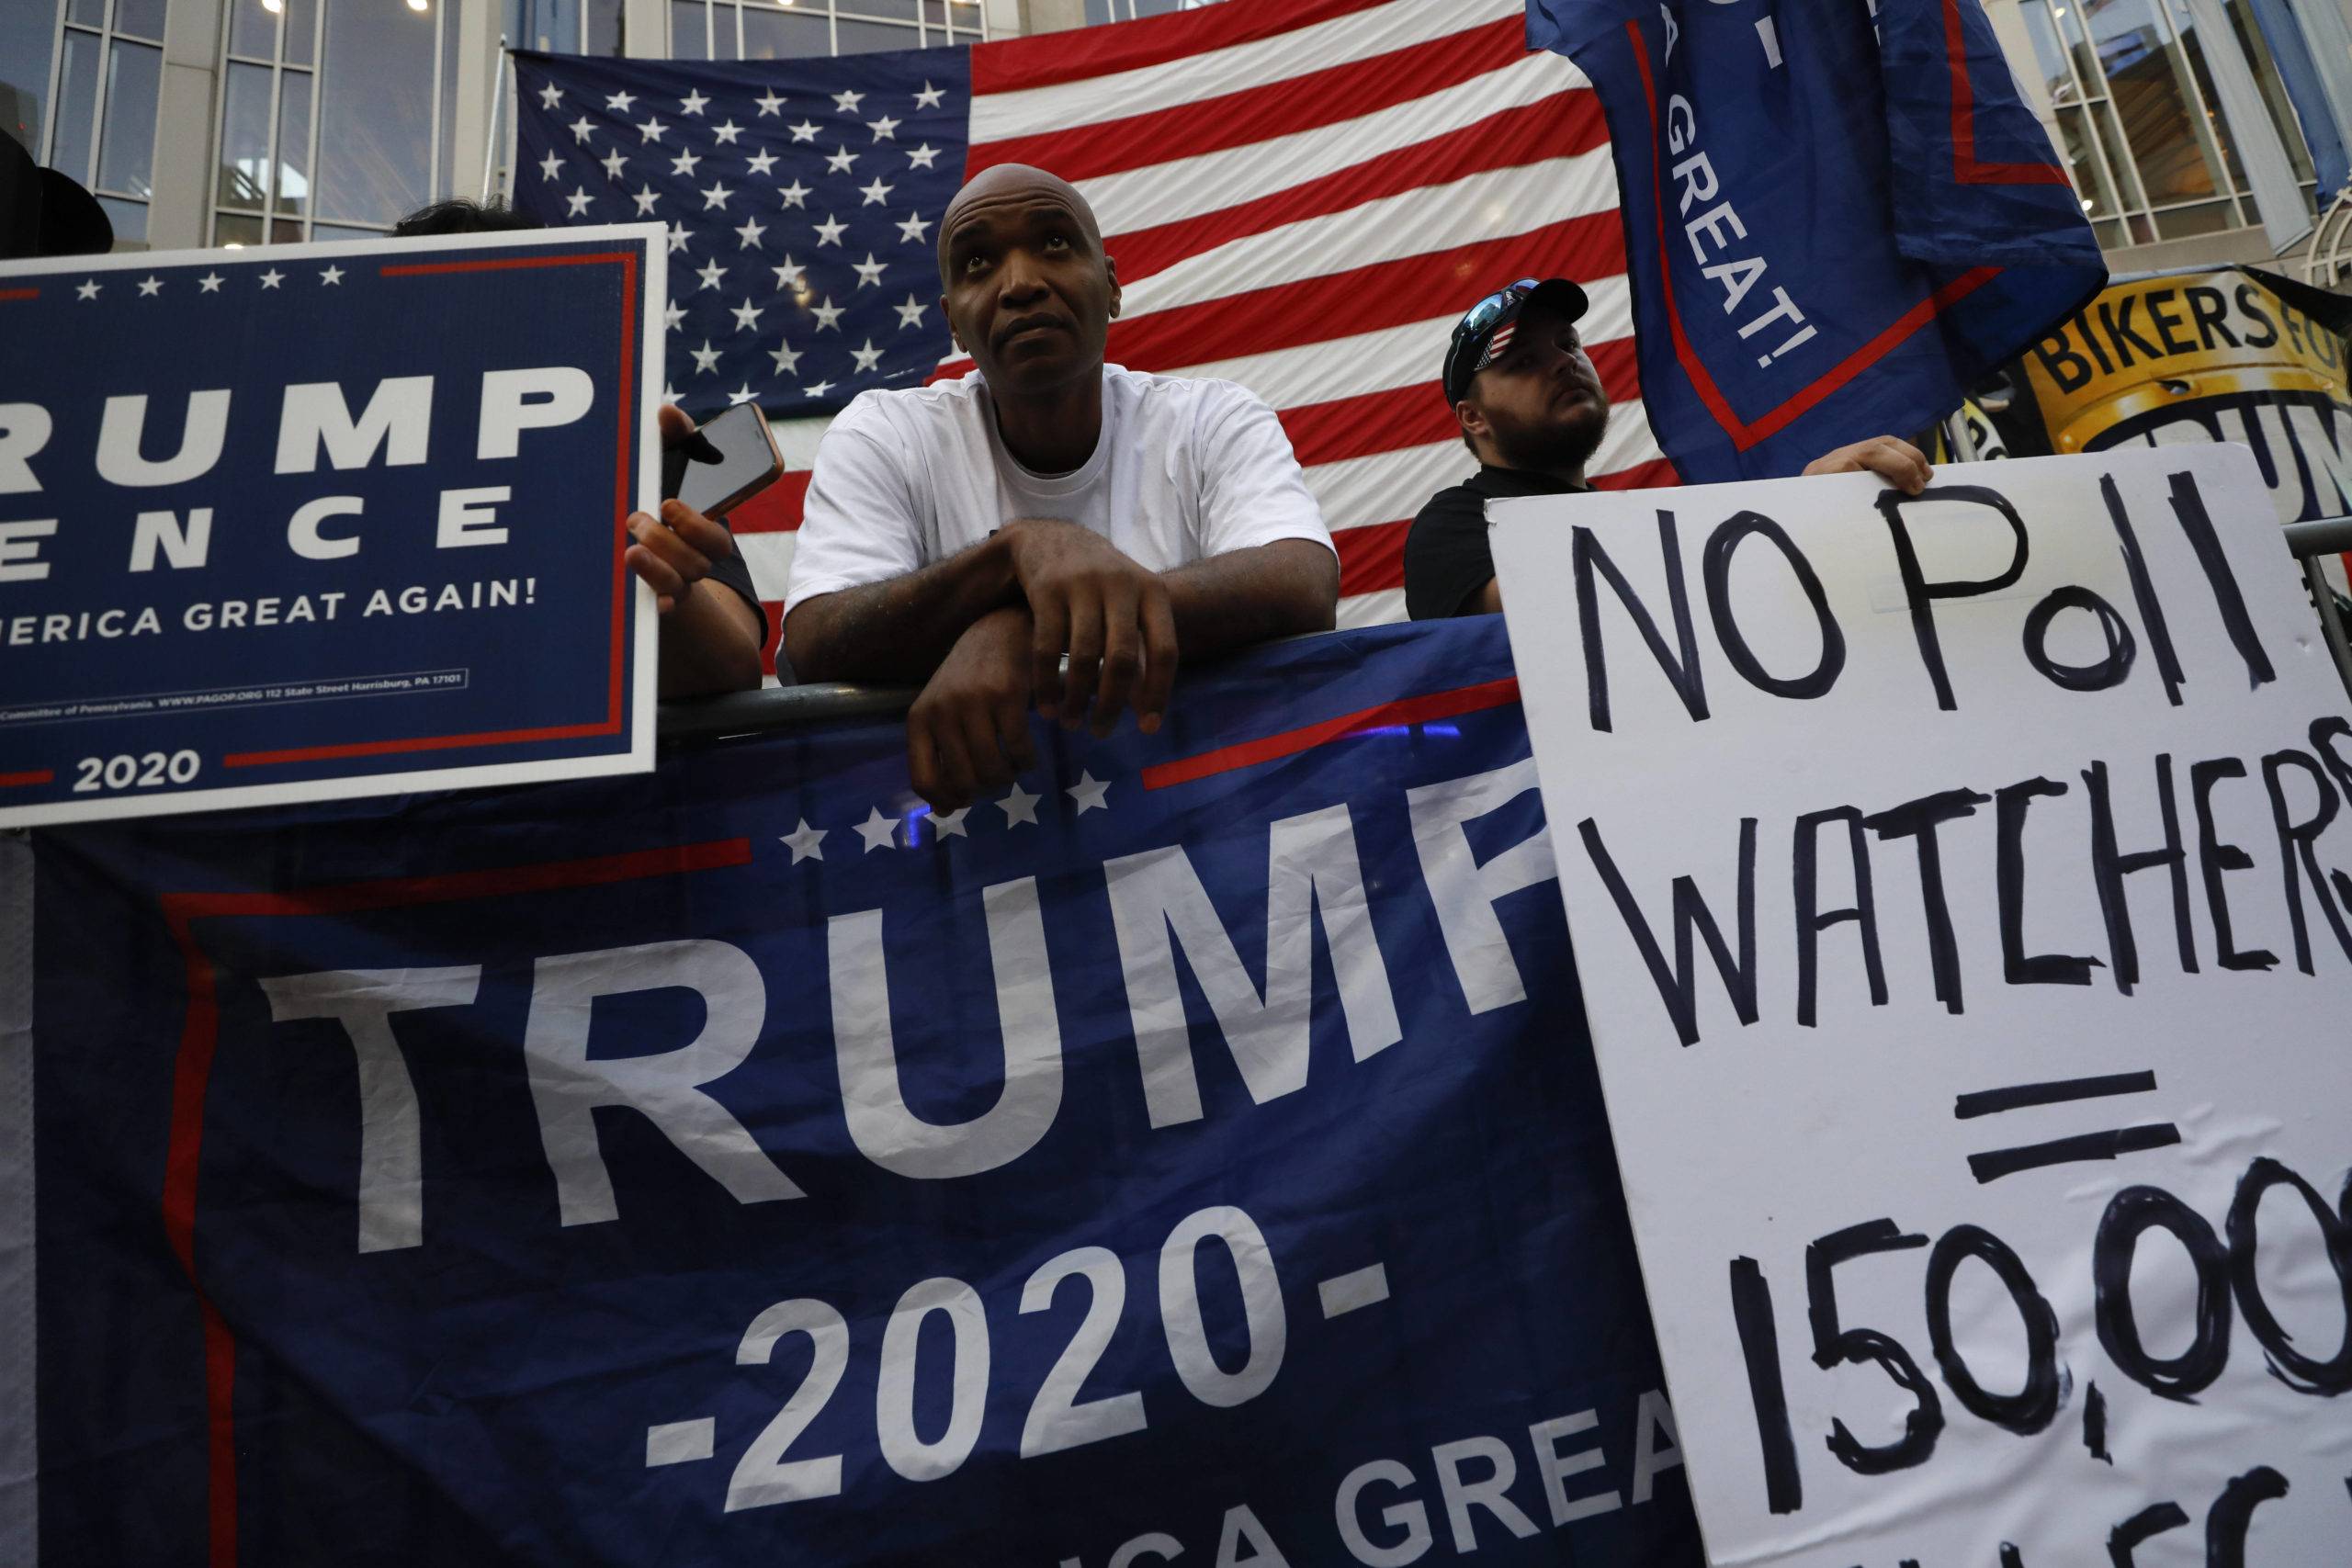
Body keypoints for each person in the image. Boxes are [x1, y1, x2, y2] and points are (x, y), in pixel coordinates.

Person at [783, 164, 1338, 810]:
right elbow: (818, 638)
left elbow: (1301, 582)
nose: (1019, 284)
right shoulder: (886, 432)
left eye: (1053, 243)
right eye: (978, 263)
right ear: (954, 325)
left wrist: (1022, 626)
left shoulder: (1208, 417)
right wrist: (1014, 554)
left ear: (1111, 286)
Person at [393, 199, 767, 696]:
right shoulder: (299, 462)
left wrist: (666, 588)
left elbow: (733, 675)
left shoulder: (626, 460)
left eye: (494, 302)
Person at [1403, 277, 1935, 621]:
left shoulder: (1626, 520)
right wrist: (1791, 518)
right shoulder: (1459, 523)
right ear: (1473, 418)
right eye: (1521, 362)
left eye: (1568, 344)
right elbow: (1572, 609)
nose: (1564, 362)